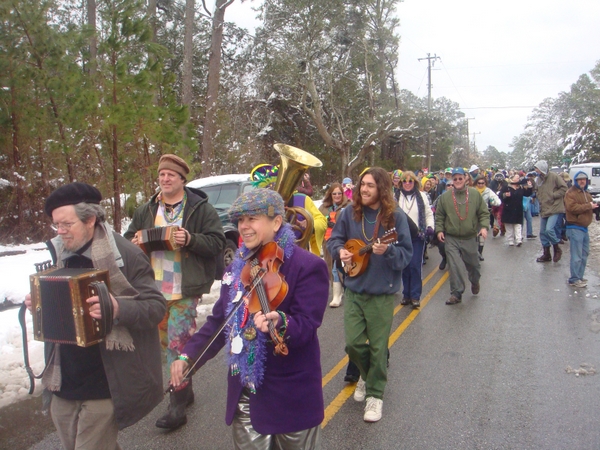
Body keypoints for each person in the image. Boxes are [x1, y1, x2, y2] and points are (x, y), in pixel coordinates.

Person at [169, 188, 329, 448]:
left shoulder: (307, 266)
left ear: (277, 222)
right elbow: (220, 319)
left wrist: (281, 322)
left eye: (252, 219)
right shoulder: (238, 267)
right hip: (247, 393)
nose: (243, 227)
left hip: (291, 397)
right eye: (240, 220)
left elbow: (307, 325)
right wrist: (189, 357)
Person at [25, 183, 166, 450]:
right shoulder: (58, 254)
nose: (60, 232)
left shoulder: (126, 255)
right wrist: (39, 302)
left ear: (90, 219)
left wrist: (116, 309)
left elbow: (155, 307)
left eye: (66, 224)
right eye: (57, 225)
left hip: (106, 380)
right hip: (64, 380)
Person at [124, 154, 226, 429]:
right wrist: (134, 242)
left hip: (184, 288)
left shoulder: (200, 209)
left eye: (171, 175)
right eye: (161, 175)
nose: (165, 179)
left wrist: (190, 239)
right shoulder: (147, 209)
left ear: (182, 179)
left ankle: (177, 406)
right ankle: (186, 388)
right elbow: (126, 241)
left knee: (178, 345)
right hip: (153, 290)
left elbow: (217, 242)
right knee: (166, 344)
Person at [327, 167, 412, 422]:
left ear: (382, 189)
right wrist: (339, 250)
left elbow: (406, 255)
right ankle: (366, 374)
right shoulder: (348, 214)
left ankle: (375, 395)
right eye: (362, 184)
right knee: (353, 344)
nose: (364, 189)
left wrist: (387, 251)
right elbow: (334, 240)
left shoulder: (395, 217)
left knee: (378, 348)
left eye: (370, 185)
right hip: (354, 289)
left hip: (381, 293)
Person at [434, 168, 490, 305]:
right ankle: (456, 293)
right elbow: (439, 215)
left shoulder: (474, 194)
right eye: (455, 179)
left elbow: (483, 213)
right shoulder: (445, 197)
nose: (458, 181)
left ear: (465, 179)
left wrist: (483, 227)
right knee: (454, 266)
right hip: (451, 238)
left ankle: (475, 281)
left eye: (460, 178)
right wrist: (439, 230)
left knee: (474, 266)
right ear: (452, 180)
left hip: (469, 237)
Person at [250, 163, 327, 257]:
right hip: (269, 258)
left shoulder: (302, 199)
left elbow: (322, 221)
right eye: (268, 188)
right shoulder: (259, 206)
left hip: (300, 256)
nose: (273, 190)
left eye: (275, 185)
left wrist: (310, 224)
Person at [398, 171, 434, 308]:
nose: (407, 184)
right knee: (404, 266)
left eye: (410, 181)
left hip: (418, 236)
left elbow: (428, 213)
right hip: (401, 237)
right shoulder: (396, 197)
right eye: (405, 181)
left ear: (415, 182)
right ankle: (406, 294)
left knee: (414, 265)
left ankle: (415, 296)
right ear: (401, 183)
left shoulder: (422, 196)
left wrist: (430, 227)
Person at [564, 171, 599, 288]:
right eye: (579, 179)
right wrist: (589, 206)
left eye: (584, 179)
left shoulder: (586, 192)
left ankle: (579, 276)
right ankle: (574, 279)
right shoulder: (570, 193)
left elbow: (590, 206)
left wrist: (595, 208)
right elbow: (572, 208)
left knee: (584, 254)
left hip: (584, 228)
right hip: (574, 227)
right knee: (577, 255)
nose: (582, 181)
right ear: (576, 181)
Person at [319, 182, 351, 307]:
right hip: (327, 242)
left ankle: (339, 294)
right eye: (334, 193)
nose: (337, 196)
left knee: (340, 267)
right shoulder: (323, 207)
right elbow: (317, 221)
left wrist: (337, 224)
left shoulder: (349, 206)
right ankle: (337, 292)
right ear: (330, 195)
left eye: (339, 193)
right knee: (330, 267)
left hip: (344, 242)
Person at [533, 160, 568, 263]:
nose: (536, 170)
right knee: (542, 232)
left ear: (542, 168)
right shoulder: (538, 179)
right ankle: (546, 254)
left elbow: (564, 188)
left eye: (537, 168)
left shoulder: (554, 176)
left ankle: (557, 248)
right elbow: (537, 190)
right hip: (544, 208)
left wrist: (553, 195)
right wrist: (538, 196)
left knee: (549, 229)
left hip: (555, 207)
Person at [498, 174, 533, 247]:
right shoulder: (506, 187)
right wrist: (505, 195)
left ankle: (518, 240)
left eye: (518, 178)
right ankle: (510, 240)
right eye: (517, 177)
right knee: (509, 226)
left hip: (518, 209)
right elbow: (500, 195)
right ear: (512, 179)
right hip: (508, 209)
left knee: (518, 225)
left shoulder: (520, 187)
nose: (518, 179)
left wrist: (529, 187)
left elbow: (527, 194)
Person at [474, 175, 501, 260]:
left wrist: (493, 201)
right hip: (472, 215)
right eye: (479, 183)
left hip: (483, 215)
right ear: (476, 183)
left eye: (483, 183)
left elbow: (497, 201)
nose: (481, 185)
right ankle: (474, 252)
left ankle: (480, 253)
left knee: (482, 234)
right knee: (473, 235)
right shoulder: (472, 190)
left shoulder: (488, 191)